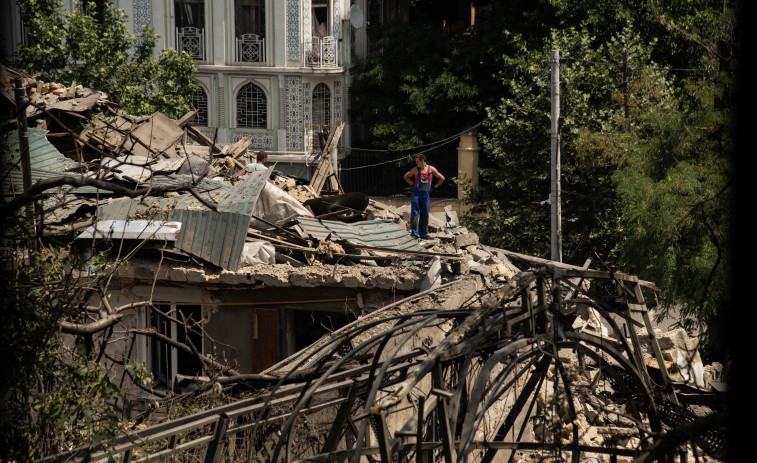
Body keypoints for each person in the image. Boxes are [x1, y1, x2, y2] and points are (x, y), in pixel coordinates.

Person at [403, 154, 445, 239]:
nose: (416, 162)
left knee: (425, 214)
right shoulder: (415, 170)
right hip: (416, 194)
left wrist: (434, 187)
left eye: (417, 161)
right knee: (415, 213)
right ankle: (414, 234)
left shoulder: (431, 169)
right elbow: (405, 176)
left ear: (422, 161)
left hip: (425, 195)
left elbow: (442, 178)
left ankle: (424, 234)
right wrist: (412, 184)